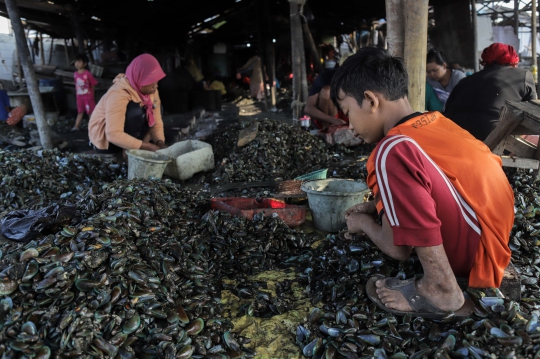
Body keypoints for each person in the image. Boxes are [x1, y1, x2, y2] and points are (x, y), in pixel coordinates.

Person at [331, 48, 513, 319]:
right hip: (496, 242)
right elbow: (443, 187)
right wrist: (377, 208)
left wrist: (364, 224)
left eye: (347, 112)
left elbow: (398, 249)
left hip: (472, 256)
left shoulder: (391, 149)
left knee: (389, 158)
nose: (349, 124)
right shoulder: (436, 122)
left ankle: (441, 287)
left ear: (370, 100)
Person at [444, 43, 537, 141]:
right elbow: (532, 111)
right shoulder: (524, 75)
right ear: (513, 59)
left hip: (455, 134)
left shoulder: (465, 81)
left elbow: (448, 109)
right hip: (491, 136)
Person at [88, 54, 167, 160]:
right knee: (134, 110)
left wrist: (160, 143)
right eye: (151, 81)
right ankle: (129, 149)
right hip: (109, 141)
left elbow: (156, 121)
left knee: (157, 107)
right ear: (140, 77)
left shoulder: (151, 91)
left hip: (131, 134)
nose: (155, 85)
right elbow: (113, 133)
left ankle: (135, 146)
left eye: (156, 80)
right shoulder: (118, 93)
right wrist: (148, 146)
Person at [304, 54, 351, 129]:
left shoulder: (361, 80)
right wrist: (334, 120)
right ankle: (326, 128)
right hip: (330, 116)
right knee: (326, 91)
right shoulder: (325, 77)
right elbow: (308, 108)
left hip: (350, 116)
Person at [73, 53, 98, 132]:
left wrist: (92, 94)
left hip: (88, 97)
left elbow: (93, 84)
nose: (77, 63)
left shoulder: (88, 74)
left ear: (85, 64)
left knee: (90, 112)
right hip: (79, 97)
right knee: (80, 112)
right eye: (76, 61)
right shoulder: (75, 74)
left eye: (79, 62)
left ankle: (94, 128)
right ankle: (76, 126)